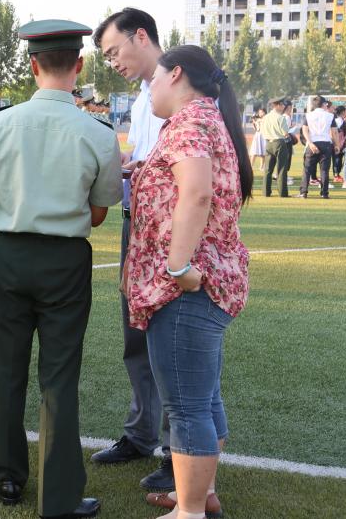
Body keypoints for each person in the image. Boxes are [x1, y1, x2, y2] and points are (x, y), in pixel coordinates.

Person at [0, 19, 121, 518]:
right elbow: (99, 213)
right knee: (59, 378)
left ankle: (7, 476)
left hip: (10, 254)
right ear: (80, 65)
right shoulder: (98, 132)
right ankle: (59, 497)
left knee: (6, 369)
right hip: (64, 260)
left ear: (33, 66)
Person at [124, 45, 252, 519]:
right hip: (211, 280)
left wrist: (177, 268)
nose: (150, 90)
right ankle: (201, 493)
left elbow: (196, 194)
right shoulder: (203, 120)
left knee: (186, 406)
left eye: (155, 80)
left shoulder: (190, 123)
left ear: (175, 75)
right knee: (203, 396)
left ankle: (190, 511)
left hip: (188, 287)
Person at [90, 7, 173, 493]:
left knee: (169, 341)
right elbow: (148, 158)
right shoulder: (144, 95)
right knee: (136, 336)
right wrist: (128, 162)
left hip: (165, 230)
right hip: (135, 225)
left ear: (141, 36)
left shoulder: (179, 86)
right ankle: (141, 434)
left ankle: (177, 452)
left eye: (114, 51)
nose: (113, 62)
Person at [298, 96, 338, 199]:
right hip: (326, 143)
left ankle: (303, 192)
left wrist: (310, 143)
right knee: (324, 170)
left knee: (307, 169)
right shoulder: (330, 116)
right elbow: (334, 132)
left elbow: (305, 130)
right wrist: (337, 145)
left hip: (313, 143)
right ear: (324, 104)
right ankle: (324, 193)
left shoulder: (308, 115)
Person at [260, 97, 291, 197]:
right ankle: (282, 193)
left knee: (268, 170)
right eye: (282, 105)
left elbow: (262, 131)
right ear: (277, 105)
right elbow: (285, 133)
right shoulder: (280, 118)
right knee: (281, 169)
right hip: (279, 143)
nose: (283, 107)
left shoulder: (265, 117)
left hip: (269, 143)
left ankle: (266, 192)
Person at [333, 105, 346, 184]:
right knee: (338, 159)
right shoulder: (340, 121)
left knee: (337, 159)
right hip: (339, 143)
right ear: (343, 112)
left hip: (338, 143)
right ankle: (337, 176)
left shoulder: (337, 120)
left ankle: (337, 175)